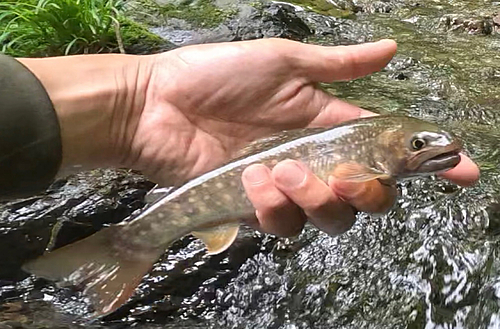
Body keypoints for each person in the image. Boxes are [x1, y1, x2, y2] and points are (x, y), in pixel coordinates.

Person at [0, 38, 479, 237]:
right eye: (419, 144)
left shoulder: (371, 154)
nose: (436, 150)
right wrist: (141, 97)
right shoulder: (366, 159)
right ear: (385, 146)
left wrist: (136, 102)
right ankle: (132, 242)